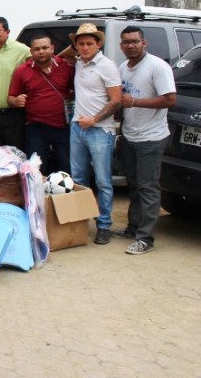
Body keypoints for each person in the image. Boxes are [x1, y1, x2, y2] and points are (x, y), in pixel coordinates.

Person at [114, 26, 176, 255]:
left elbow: (170, 99)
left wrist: (134, 102)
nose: (130, 46)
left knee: (148, 187)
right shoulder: (124, 67)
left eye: (135, 41)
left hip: (151, 137)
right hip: (130, 136)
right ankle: (133, 228)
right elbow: (122, 101)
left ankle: (145, 238)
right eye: (126, 42)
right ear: (121, 45)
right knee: (134, 185)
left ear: (144, 43)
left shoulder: (157, 66)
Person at [69, 23, 121, 245]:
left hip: (99, 130)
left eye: (89, 43)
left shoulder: (107, 66)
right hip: (77, 128)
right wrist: (75, 47)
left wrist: (94, 120)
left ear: (98, 44)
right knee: (78, 178)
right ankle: (81, 222)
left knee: (102, 181)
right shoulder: (79, 62)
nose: (85, 47)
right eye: (80, 44)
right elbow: (63, 55)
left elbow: (116, 100)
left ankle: (104, 225)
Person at [8, 34, 74, 175]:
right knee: (37, 171)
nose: (41, 52)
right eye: (37, 49)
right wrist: (16, 101)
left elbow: (77, 89)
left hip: (63, 127)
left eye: (45, 48)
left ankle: (65, 191)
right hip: (36, 128)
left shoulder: (66, 66)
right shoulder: (22, 70)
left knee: (66, 168)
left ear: (52, 48)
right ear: (31, 51)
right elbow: (11, 98)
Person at [0, 16, 30, 149]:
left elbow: (40, 62)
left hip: (14, 115)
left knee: (15, 153)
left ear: (7, 32)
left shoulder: (22, 50)